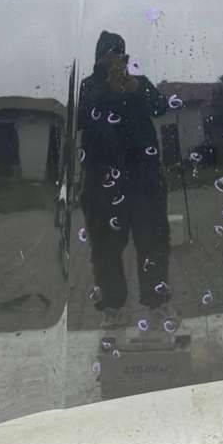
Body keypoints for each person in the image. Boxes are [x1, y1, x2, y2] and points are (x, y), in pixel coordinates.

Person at [78, 30, 172, 328]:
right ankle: (112, 307)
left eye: (120, 54)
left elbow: (161, 106)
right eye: (110, 54)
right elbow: (81, 118)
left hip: (144, 177)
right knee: (105, 246)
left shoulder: (139, 83)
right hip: (102, 179)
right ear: (99, 59)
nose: (116, 60)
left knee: (153, 241)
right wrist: (107, 88)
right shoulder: (88, 86)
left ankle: (156, 303)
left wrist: (136, 88)